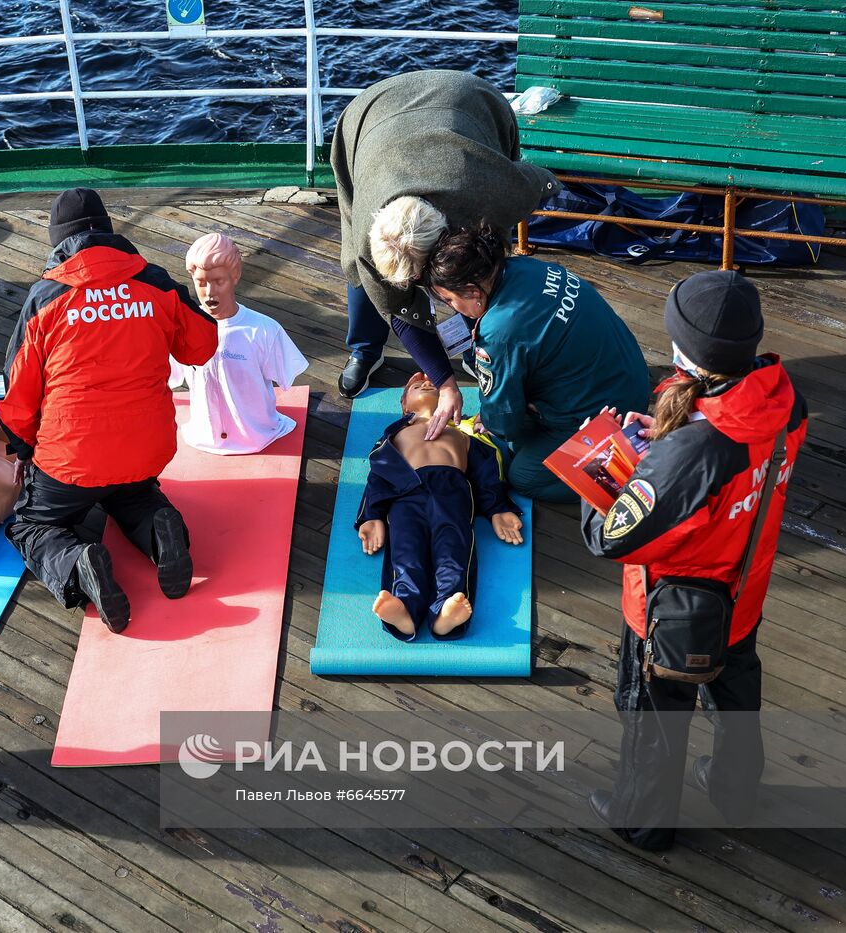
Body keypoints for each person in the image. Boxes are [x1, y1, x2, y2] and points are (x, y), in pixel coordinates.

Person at [581, 270, 807, 852]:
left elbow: (611, 538)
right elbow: (731, 456)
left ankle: (643, 821)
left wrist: (595, 468)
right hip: (743, 591)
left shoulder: (695, 450)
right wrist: (664, 438)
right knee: (737, 699)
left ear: (686, 350)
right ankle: (734, 792)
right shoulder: (785, 400)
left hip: (668, 611)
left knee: (654, 715)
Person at [0, 187, 218, 633]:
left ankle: (79, 564)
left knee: (31, 525)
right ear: (109, 232)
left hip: (70, 459)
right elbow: (203, 345)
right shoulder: (155, 282)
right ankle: (161, 534)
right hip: (145, 449)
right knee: (132, 494)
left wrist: (21, 447)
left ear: (58, 242)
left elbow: (18, 392)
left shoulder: (45, 297)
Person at [331, 69, 561, 427]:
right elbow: (398, 309)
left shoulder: (485, 192)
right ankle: (365, 349)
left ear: (447, 237)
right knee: (361, 274)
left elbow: (540, 182)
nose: (420, 288)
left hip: (468, 101)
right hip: (371, 119)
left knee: (477, 265)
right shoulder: (368, 239)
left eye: (421, 277)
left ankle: (476, 343)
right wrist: (445, 383)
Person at [422, 223, 651, 502]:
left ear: (472, 291)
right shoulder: (524, 267)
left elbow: (505, 422)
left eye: (449, 299)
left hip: (606, 415)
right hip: (631, 376)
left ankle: (626, 476)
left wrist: (495, 418)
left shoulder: (498, 331)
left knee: (524, 475)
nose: (451, 307)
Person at [357, 373, 523, 640]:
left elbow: (486, 473)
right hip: (405, 493)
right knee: (405, 549)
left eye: (432, 383)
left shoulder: (462, 432)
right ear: (404, 404)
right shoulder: (395, 435)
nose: (425, 382)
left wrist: (497, 508)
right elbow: (379, 474)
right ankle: (405, 610)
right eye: (415, 385)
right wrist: (372, 514)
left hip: (452, 490)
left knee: (453, 547)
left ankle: (445, 612)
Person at [168, 232, 308, 455]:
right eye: (201, 283)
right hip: (201, 436)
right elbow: (169, 379)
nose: (210, 292)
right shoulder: (181, 329)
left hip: (259, 436)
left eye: (218, 281)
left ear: (235, 276)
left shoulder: (264, 330)